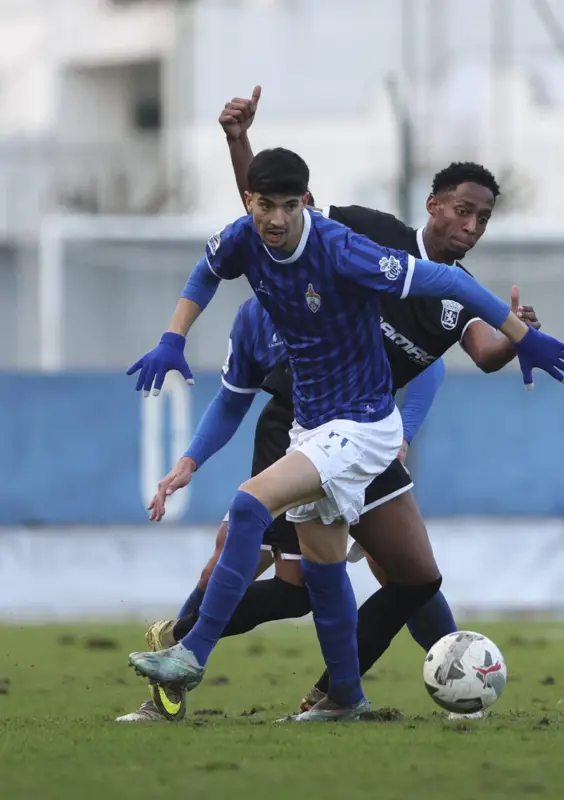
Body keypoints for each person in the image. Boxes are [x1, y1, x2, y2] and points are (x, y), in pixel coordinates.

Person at [117, 89, 542, 723]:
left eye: (483, 218)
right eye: (463, 211)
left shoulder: (459, 296)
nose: (472, 227)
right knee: (271, 561)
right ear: (433, 206)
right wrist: (239, 143)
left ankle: (362, 691)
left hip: (365, 428)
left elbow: (468, 359)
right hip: (302, 417)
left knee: (411, 578)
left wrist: (517, 335)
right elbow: (277, 213)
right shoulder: (366, 235)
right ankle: (182, 646)